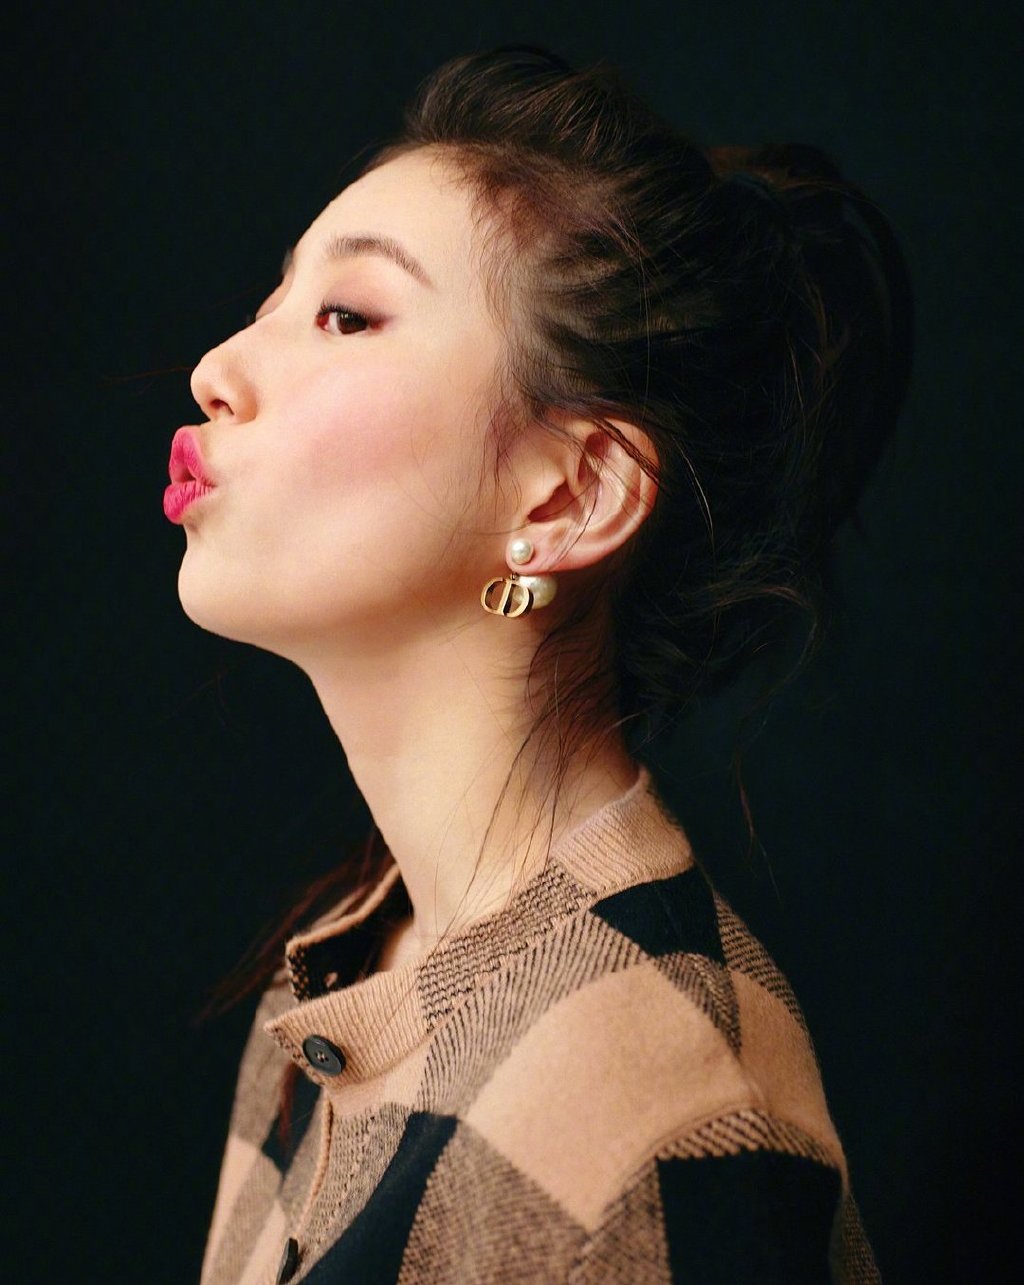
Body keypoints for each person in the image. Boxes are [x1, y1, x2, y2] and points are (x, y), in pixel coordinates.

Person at [170, 45, 911, 1285]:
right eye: (274, 299)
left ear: (568, 497)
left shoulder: (645, 1110)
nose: (217, 370)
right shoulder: (341, 970)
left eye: (346, 315)